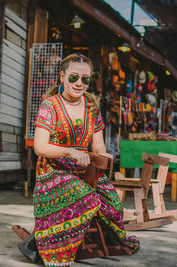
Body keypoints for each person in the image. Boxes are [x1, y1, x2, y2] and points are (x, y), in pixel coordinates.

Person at [21, 53, 139, 266]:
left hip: (85, 168)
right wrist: (68, 151)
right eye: (73, 77)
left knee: (113, 204)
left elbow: (98, 144)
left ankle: (90, 237)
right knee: (84, 197)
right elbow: (40, 147)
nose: (79, 83)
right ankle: (50, 246)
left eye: (85, 79)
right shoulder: (50, 106)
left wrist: (103, 153)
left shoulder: (92, 108)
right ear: (62, 77)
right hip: (53, 171)